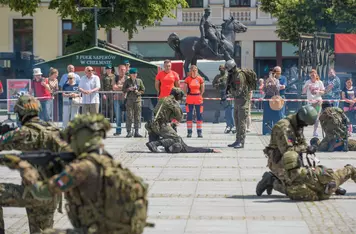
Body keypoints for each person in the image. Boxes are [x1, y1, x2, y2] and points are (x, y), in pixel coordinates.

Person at [22, 114, 150, 234]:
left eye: (73, 138)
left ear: (81, 138)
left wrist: (27, 172)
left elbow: (43, 192)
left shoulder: (81, 168)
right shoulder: (109, 161)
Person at [0, 94, 71, 233]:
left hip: (32, 194)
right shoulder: (54, 130)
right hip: (51, 196)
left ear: (22, 113)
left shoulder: (24, 132)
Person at [256, 105, 319, 196]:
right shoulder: (284, 127)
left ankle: (278, 179)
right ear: (301, 119)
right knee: (293, 188)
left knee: (304, 180)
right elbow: (287, 150)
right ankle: (271, 180)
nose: (305, 126)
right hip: (279, 160)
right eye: (305, 124)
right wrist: (306, 148)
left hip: (292, 160)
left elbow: (302, 142)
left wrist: (309, 147)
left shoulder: (297, 124)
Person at [145, 88, 219, 153]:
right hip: (160, 125)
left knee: (166, 135)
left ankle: (153, 143)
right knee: (176, 139)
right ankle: (155, 144)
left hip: (150, 125)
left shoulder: (163, 99)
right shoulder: (173, 102)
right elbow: (179, 117)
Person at [282, 151, 356, 201]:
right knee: (350, 169)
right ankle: (336, 188)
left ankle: (337, 189)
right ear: (298, 161)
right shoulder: (311, 172)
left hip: (306, 195)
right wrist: (319, 168)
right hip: (323, 193)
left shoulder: (284, 176)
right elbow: (330, 176)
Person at [225, 60, 252, 148]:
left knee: (241, 122)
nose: (228, 71)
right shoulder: (233, 75)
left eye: (229, 69)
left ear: (233, 68)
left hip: (243, 101)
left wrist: (230, 93)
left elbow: (239, 91)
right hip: (237, 101)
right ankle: (237, 140)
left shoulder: (239, 76)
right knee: (236, 121)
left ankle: (241, 141)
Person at [123, 68, 145, 138]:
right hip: (129, 100)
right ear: (130, 74)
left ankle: (136, 132)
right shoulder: (127, 81)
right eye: (133, 73)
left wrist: (138, 92)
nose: (135, 75)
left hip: (137, 100)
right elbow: (123, 90)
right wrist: (128, 89)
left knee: (137, 116)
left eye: (135, 73)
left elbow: (143, 90)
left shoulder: (139, 81)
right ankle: (129, 132)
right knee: (129, 116)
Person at [302, 69, 325, 137]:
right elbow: (303, 92)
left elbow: (323, 92)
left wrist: (318, 92)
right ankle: (301, 131)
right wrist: (307, 86)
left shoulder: (320, 82)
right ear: (310, 75)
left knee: (317, 117)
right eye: (311, 75)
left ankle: (315, 131)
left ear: (316, 75)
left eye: (313, 74)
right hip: (310, 102)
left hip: (318, 102)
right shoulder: (307, 82)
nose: (312, 76)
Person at [184, 65, 205, 138]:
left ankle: (199, 132)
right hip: (190, 98)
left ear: (197, 71)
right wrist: (187, 95)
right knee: (189, 115)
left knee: (199, 115)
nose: (194, 72)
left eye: (195, 70)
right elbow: (185, 89)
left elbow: (202, 89)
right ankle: (189, 132)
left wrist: (199, 95)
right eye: (192, 70)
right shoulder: (187, 79)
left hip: (198, 98)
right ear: (190, 71)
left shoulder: (200, 79)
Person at [262, 68, 281, 135]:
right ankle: (266, 131)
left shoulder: (277, 81)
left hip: (275, 99)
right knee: (267, 115)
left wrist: (273, 82)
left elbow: (277, 90)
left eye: (273, 73)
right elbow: (264, 90)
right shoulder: (266, 80)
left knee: (276, 115)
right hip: (267, 98)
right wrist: (266, 83)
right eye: (270, 73)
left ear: (275, 74)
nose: (271, 75)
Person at [112, 65, 127, 136]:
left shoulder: (128, 78)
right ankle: (118, 131)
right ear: (118, 70)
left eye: (124, 69)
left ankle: (128, 131)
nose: (122, 71)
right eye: (121, 70)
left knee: (128, 116)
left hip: (126, 99)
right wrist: (123, 87)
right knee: (118, 116)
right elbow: (114, 88)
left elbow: (128, 87)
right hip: (117, 99)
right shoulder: (115, 78)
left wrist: (120, 87)